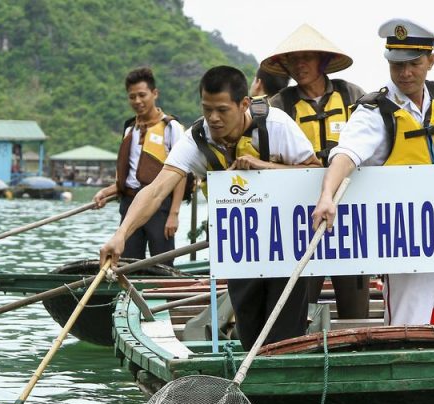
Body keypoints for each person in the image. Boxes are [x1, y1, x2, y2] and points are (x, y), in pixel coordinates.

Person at [100, 66, 320, 349]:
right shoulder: (196, 138)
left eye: (222, 110)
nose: (213, 118)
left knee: (285, 335)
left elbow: (315, 171)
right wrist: (121, 234)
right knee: (250, 331)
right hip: (241, 247)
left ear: (243, 104)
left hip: (286, 244)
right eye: (207, 109)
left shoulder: (276, 126)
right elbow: (155, 191)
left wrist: (264, 166)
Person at [312, 18, 434, 326]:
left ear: (431, 61)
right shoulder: (375, 111)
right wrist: (326, 195)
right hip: (407, 244)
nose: (405, 73)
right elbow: (345, 155)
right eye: (397, 65)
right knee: (407, 326)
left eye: (413, 63)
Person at [261, 23, 371, 321]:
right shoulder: (278, 105)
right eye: (293, 60)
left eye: (307, 58)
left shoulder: (352, 95)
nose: (300, 65)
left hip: (351, 210)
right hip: (300, 213)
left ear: (322, 61)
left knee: (355, 303)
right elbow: (266, 153)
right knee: (301, 301)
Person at [93, 67, 186, 265]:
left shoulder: (171, 127)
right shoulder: (129, 128)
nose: (137, 101)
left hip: (160, 205)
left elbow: (181, 173)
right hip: (129, 204)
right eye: (132, 96)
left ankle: (169, 295)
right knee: (128, 263)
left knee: (163, 264)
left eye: (142, 95)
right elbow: (130, 176)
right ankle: (131, 296)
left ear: (155, 93)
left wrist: (173, 214)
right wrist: (107, 192)